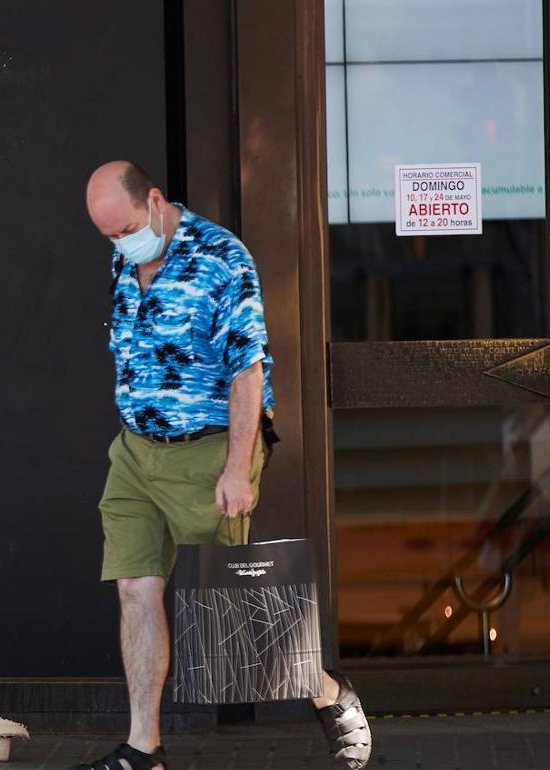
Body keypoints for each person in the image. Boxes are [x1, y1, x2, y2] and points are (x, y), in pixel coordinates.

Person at [75, 161, 372, 770]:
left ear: (155, 200)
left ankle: (327, 690)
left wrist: (238, 467)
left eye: (125, 229)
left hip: (208, 449)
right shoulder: (125, 258)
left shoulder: (221, 257)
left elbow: (247, 368)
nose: (119, 244)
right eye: (107, 236)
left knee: (234, 608)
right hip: (134, 451)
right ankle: (143, 748)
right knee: (135, 588)